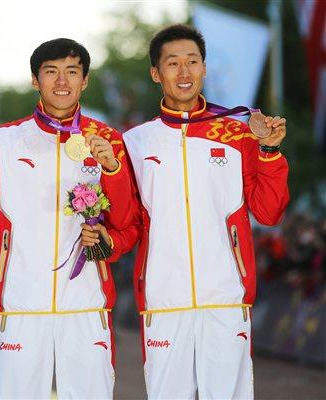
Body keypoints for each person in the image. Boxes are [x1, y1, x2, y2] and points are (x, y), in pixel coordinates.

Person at [96, 24, 290, 399]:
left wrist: (269, 152)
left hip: (226, 299)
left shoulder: (240, 135)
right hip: (163, 302)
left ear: (204, 68)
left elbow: (268, 213)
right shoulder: (134, 143)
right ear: (157, 73)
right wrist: (105, 239)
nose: (183, 73)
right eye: (173, 63)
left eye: (192, 62)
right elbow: (127, 223)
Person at [0, 38, 136, 399]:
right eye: (51, 72)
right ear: (35, 79)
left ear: (85, 80)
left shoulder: (108, 140)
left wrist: (112, 168)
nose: (62, 81)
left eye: (72, 72)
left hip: (87, 305)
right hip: (22, 305)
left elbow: (127, 222)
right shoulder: (5, 140)